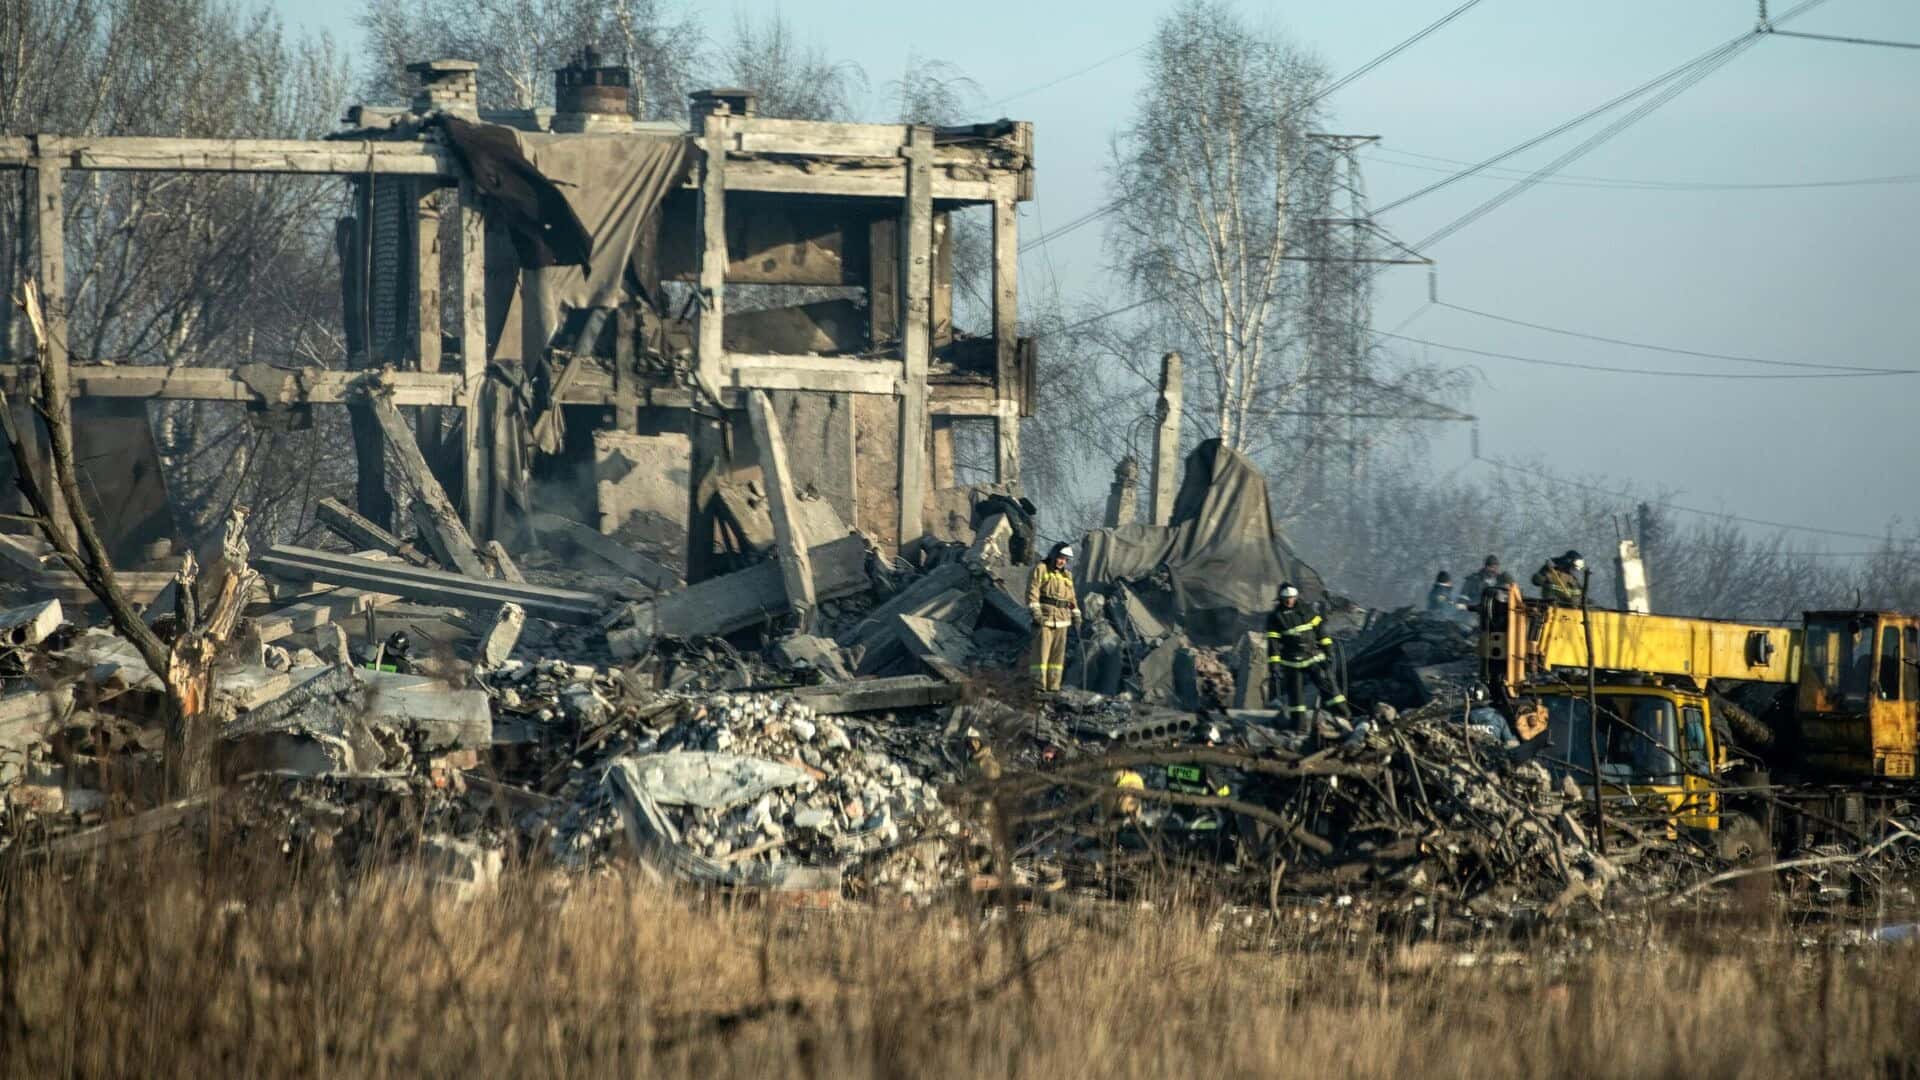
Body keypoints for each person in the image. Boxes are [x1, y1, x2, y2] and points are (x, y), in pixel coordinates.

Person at [1265, 583, 1350, 731]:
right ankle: (1299, 727)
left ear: (1296, 597)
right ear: (1280, 599)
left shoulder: (1306, 610)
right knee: (1296, 697)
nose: (1289, 601)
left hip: (1313, 658)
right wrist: (1274, 667)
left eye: (1291, 598)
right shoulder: (1275, 618)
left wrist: (1328, 651)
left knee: (1329, 688)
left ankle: (1344, 716)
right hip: (1292, 662)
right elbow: (1273, 645)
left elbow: (1321, 632)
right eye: (1286, 599)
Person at [1025, 542, 1081, 693]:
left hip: (1063, 621)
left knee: (1057, 658)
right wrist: (1036, 613)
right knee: (1041, 655)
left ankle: (1053, 687)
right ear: (1054, 555)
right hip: (1044, 618)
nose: (1062, 561)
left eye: (1065, 559)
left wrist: (1076, 615)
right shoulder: (1041, 569)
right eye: (1060, 557)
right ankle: (1038, 686)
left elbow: (1072, 598)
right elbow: (1032, 592)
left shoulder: (1067, 576)